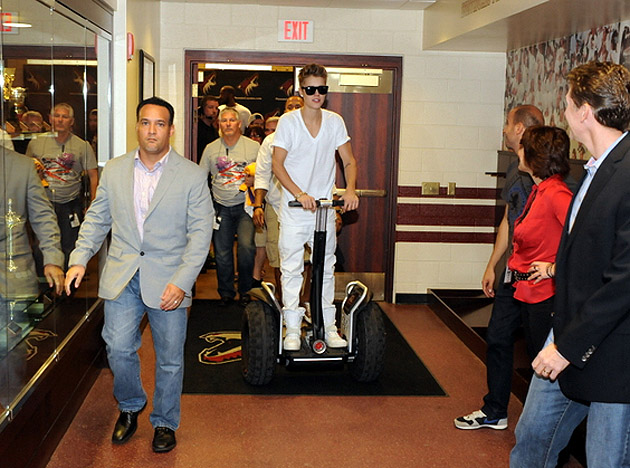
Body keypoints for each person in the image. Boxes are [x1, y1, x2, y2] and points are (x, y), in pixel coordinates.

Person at [64, 97, 213, 453]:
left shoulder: (192, 175)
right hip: (122, 273)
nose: (151, 130)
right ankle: (131, 406)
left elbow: (200, 234)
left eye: (159, 124)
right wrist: (79, 258)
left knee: (170, 357)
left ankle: (164, 421)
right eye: (145, 122)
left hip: (169, 280)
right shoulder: (115, 170)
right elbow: (98, 219)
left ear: (171, 130)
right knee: (117, 347)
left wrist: (182, 280)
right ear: (137, 126)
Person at [510, 61, 630, 468]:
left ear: (584, 111)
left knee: (605, 461)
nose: (563, 113)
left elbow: (624, 280)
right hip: (566, 336)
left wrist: (568, 347)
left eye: (566, 104)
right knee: (530, 442)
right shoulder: (594, 168)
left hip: (613, 356)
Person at [455, 104, 543, 430]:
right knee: (498, 338)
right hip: (510, 273)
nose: (504, 130)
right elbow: (509, 219)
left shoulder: (552, 173)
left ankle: (539, 421)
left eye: (508, 124)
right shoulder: (513, 168)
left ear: (519, 129)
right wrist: (493, 265)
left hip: (539, 280)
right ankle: (495, 411)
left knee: (538, 349)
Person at [272, 63, 359, 351]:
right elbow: (277, 164)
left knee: (325, 269)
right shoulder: (288, 122)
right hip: (295, 209)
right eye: (311, 89)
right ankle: (293, 328)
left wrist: (349, 189)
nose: (316, 94)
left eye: (322, 89)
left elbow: (348, 161)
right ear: (301, 90)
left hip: (322, 211)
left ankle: (329, 325)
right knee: (292, 270)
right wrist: (300, 192)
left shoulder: (335, 122)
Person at [507, 126, 573, 361]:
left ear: (535, 156)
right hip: (529, 292)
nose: (518, 151)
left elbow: (582, 239)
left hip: (546, 296)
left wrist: (553, 269)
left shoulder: (556, 193)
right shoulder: (540, 191)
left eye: (523, 147)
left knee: (543, 365)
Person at [1, 148, 65, 342]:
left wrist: (52, 259)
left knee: (12, 348)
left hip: (13, 274)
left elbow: (43, 216)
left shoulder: (22, 166)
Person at [26, 103, 98, 267]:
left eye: (64, 117)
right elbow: (27, 171)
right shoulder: (36, 143)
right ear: (50, 118)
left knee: (69, 246)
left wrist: (92, 205)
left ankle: (66, 287)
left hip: (70, 204)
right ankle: (46, 287)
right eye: (56, 116)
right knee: (41, 246)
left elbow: (93, 176)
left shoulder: (82, 146)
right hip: (43, 203)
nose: (60, 120)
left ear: (71, 121)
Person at [200, 107, 259, 306]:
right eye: (223, 120)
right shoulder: (210, 149)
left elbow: (265, 175)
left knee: (246, 248)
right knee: (222, 252)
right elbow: (201, 178)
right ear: (219, 124)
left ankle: (244, 290)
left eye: (231, 120)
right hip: (220, 207)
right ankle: (226, 292)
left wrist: (255, 182)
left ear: (239, 123)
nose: (227, 124)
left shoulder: (253, 148)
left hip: (245, 207)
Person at [253, 95, 304, 297]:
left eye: (297, 106)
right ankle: (285, 305)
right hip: (276, 206)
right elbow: (262, 174)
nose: (292, 109)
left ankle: (304, 303)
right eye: (289, 106)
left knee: (305, 260)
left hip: (306, 209)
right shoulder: (271, 140)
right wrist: (258, 205)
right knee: (278, 258)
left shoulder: (313, 136)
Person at [197, 95, 219, 162]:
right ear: (202, 109)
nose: (214, 111)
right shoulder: (197, 128)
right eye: (210, 107)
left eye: (216, 108)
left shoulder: (213, 129)